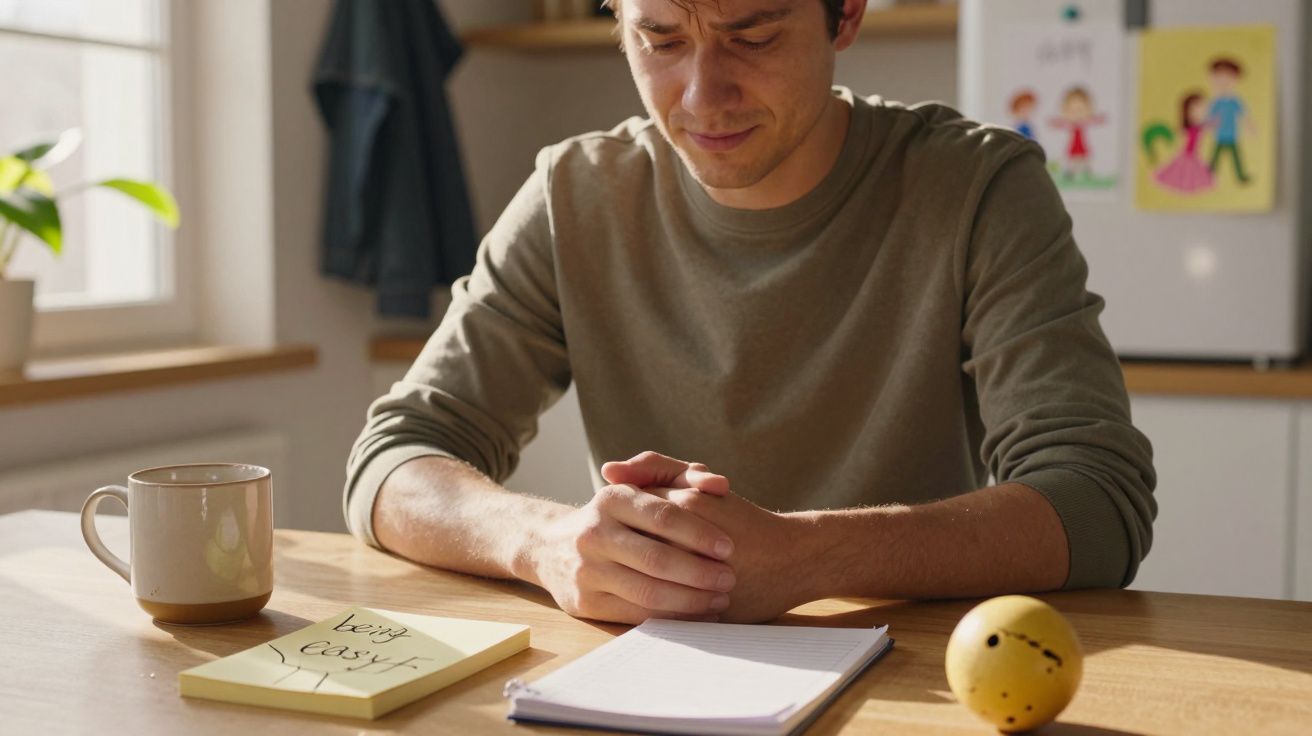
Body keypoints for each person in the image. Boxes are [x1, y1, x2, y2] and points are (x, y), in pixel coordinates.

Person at [344, 0, 1156, 625]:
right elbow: (392, 460)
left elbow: (1096, 499)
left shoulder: (979, 190)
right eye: (660, 39)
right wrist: (545, 544)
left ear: (847, 14)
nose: (703, 95)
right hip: (648, 683)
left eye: (754, 36)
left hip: (920, 681)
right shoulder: (575, 196)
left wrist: (806, 557)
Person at [1153, 92, 1214, 194]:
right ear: (1187, 111)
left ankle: (1188, 188)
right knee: (1184, 172)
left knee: (1192, 172)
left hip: (1194, 155)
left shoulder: (1198, 126)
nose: (1200, 112)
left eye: (1203, 109)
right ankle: (1185, 187)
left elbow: (1206, 126)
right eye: (1196, 109)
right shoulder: (1191, 128)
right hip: (1187, 154)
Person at [1205, 58, 1251, 185]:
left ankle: (1241, 176)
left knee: (1236, 157)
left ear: (1236, 79)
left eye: (1228, 77)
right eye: (1219, 77)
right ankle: (1208, 174)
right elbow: (1210, 117)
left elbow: (1244, 114)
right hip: (1219, 134)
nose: (1224, 81)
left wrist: (1249, 126)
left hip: (1232, 134)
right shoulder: (1216, 101)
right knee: (1215, 156)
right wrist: (1208, 126)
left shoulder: (1234, 101)